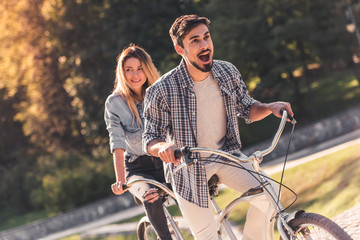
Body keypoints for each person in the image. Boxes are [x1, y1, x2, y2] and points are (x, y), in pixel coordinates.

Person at [142, 15, 294, 240]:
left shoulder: (227, 71)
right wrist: (164, 147)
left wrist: (269, 107)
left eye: (206, 37)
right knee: (207, 237)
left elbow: (247, 107)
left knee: (270, 195)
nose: (204, 45)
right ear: (179, 49)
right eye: (195, 41)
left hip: (225, 155)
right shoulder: (161, 90)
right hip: (188, 168)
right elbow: (150, 137)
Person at [104, 44, 172, 240]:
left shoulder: (160, 92)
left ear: (147, 69)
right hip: (138, 168)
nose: (135, 75)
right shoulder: (115, 103)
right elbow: (117, 142)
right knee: (151, 196)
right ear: (122, 72)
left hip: (166, 161)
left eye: (139, 68)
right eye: (129, 70)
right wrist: (120, 180)